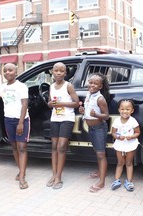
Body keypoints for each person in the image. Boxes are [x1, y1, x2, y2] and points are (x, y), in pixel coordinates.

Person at [46, 62, 79, 190]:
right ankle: (54, 175)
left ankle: (59, 177)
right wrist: (51, 104)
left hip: (67, 119)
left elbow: (76, 103)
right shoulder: (51, 86)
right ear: (52, 72)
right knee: (54, 146)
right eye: (56, 71)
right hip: (55, 118)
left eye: (61, 71)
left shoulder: (68, 86)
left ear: (65, 73)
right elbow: (49, 102)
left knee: (61, 147)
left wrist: (61, 103)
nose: (59, 73)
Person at [79, 73, 110, 193]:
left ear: (100, 86)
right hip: (91, 128)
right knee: (98, 152)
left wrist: (96, 115)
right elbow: (88, 110)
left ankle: (101, 182)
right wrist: (83, 111)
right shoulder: (89, 95)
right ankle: (100, 172)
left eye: (95, 83)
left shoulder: (100, 98)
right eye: (90, 82)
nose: (92, 85)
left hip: (99, 128)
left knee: (101, 154)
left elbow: (106, 116)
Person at [110, 99, 140, 192]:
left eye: (127, 109)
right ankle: (116, 180)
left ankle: (129, 181)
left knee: (129, 162)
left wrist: (131, 136)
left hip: (130, 144)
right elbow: (113, 133)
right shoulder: (116, 121)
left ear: (132, 111)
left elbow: (138, 132)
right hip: (120, 144)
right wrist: (118, 137)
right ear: (119, 110)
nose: (125, 111)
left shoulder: (133, 121)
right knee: (120, 162)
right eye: (122, 109)